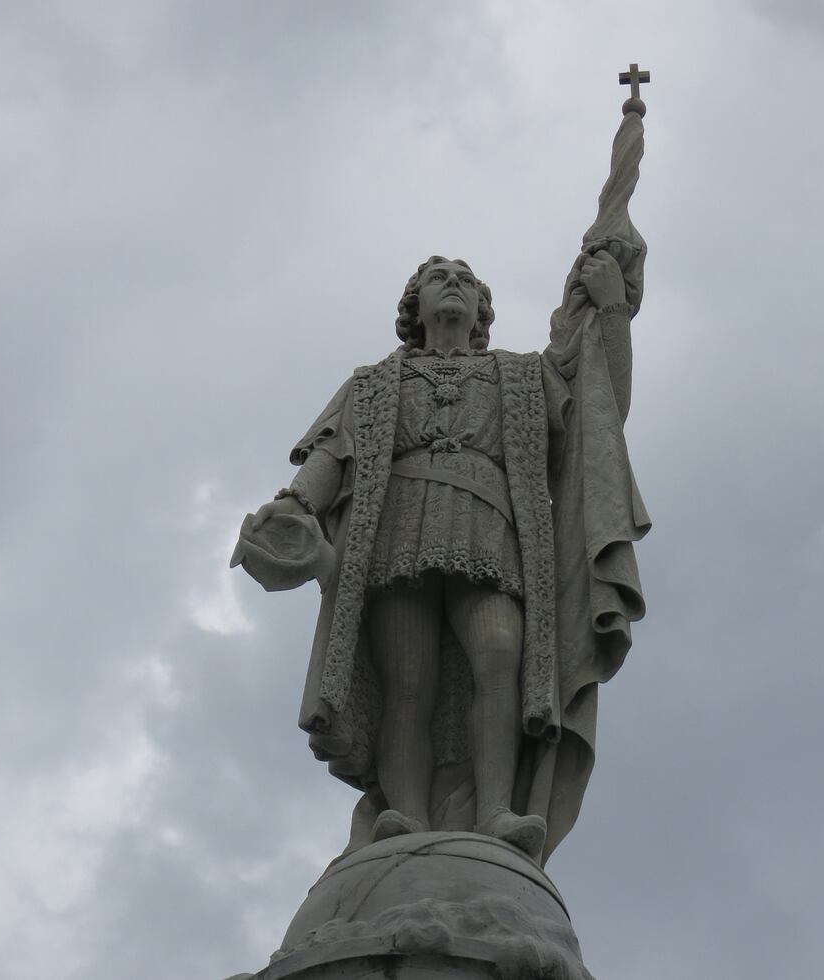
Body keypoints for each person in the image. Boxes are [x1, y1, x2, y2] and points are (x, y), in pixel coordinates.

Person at [233, 113, 652, 865]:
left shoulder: (523, 376)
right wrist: (296, 504)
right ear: (415, 307)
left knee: (499, 654)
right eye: (437, 278)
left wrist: (610, 304)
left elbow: (598, 404)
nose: (451, 285)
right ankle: (406, 813)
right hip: (398, 532)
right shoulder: (376, 383)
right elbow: (335, 453)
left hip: (493, 530)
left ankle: (496, 810)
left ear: (482, 310)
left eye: (463, 279)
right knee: (410, 676)